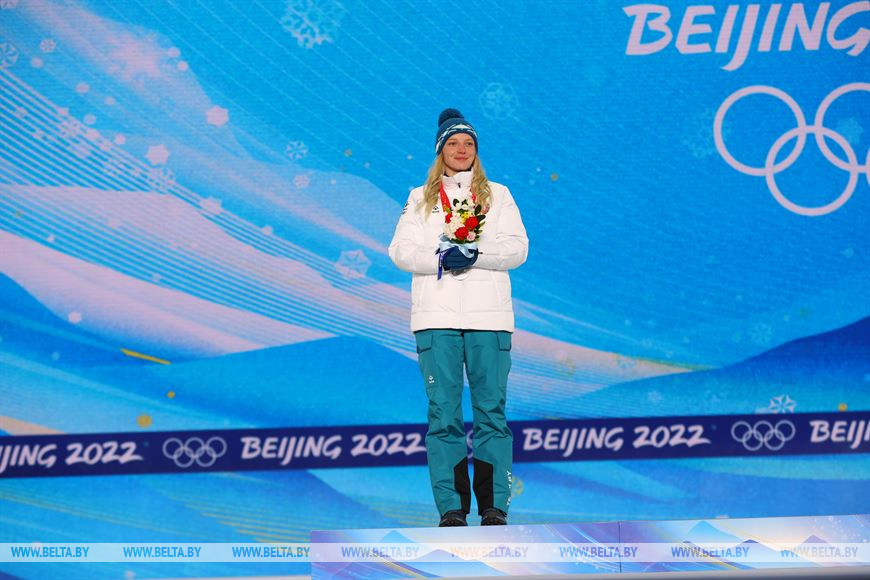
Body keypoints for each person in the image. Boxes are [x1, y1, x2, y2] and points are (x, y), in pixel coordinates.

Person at [388, 108, 529, 527]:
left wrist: (476, 255)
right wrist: (441, 258)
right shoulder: (420, 197)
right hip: (436, 318)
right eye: (453, 143)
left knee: (491, 413)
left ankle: (494, 508)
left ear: (477, 151)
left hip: (490, 319)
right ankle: (451, 508)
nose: (462, 150)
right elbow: (400, 251)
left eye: (468, 143)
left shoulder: (498, 195)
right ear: (440, 151)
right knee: (443, 415)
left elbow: (518, 248)